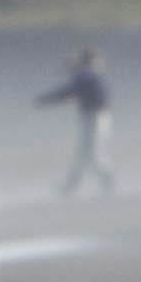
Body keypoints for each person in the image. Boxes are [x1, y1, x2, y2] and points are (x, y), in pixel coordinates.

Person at [38, 46, 115, 195]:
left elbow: (68, 91)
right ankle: (74, 184)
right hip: (96, 118)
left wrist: (44, 100)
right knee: (86, 153)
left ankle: (106, 182)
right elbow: (74, 89)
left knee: (91, 154)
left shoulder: (87, 75)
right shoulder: (90, 75)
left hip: (95, 118)